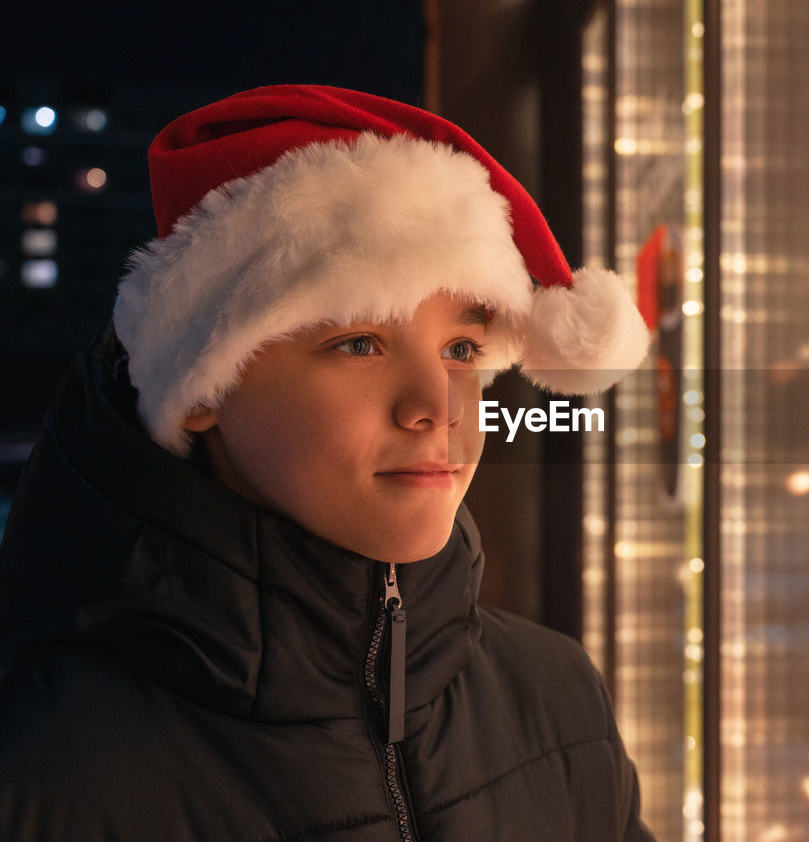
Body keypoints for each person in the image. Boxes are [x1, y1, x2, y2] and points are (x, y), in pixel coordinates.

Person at [0, 84, 653, 841]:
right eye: (359, 345)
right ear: (203, 385)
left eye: (462, 349)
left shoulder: (555, 696)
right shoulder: (47, 763)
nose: (435, 404)